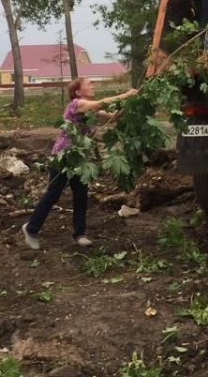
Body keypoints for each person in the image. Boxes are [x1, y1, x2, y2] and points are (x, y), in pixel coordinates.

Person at [22, 77, 137, 250]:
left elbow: (112, 117)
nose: (93, 86)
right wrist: (126, 95)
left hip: (80, 157)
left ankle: (80, 234)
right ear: (77, 92)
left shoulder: (90, 110)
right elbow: (102, 103)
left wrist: (130, 104)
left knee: (81, 194)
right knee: (53, 193)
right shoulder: (77, 104)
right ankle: (31, 229)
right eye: (89, 84)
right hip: (64, 155)